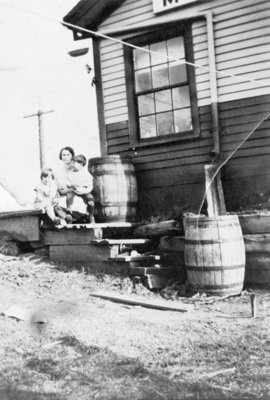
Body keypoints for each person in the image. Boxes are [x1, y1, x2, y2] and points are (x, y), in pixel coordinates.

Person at [66, 155, 95, 224]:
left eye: (74, 163)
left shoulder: (86, 174)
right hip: (74, 190)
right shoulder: (70, 173)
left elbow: (89, 186)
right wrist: (70, 185)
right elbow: (68, 182)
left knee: (90, 199)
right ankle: (69, 211)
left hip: (84, 191)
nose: (72, 164)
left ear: (81, 165)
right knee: (69, 196)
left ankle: (91, 215)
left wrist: (84, 190)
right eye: (72, 162)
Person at [54, 146, 75, 223]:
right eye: (63, 155)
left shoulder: (75, 169)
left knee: (71, 193)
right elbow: (58, 188)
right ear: (61, 156)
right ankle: (66, 217)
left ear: (72, 156)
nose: (65, 157)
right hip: (62, 193)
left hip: (74, 194)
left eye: (68, 155)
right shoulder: (58, 171)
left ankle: (69, 212)